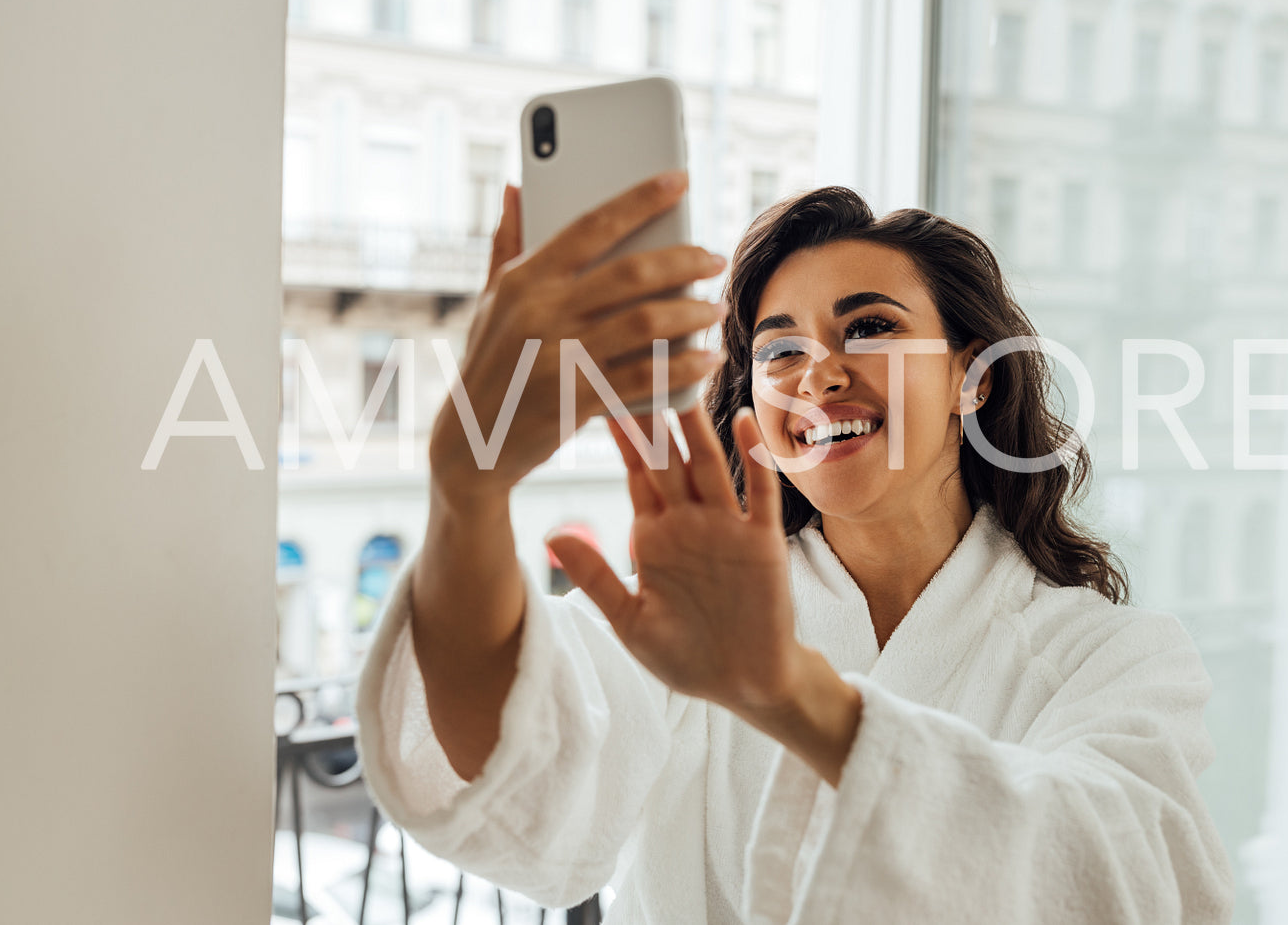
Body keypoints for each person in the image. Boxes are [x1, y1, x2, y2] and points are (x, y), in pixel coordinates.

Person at [353, 172, 1236, 923]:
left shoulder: (1109, 659)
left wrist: (782, 688)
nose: (818, 372)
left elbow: (1118, 881)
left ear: (975, 375)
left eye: (871, 327)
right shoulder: (685, 620)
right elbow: (501, 755)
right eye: (778, 350)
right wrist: (467, 487)